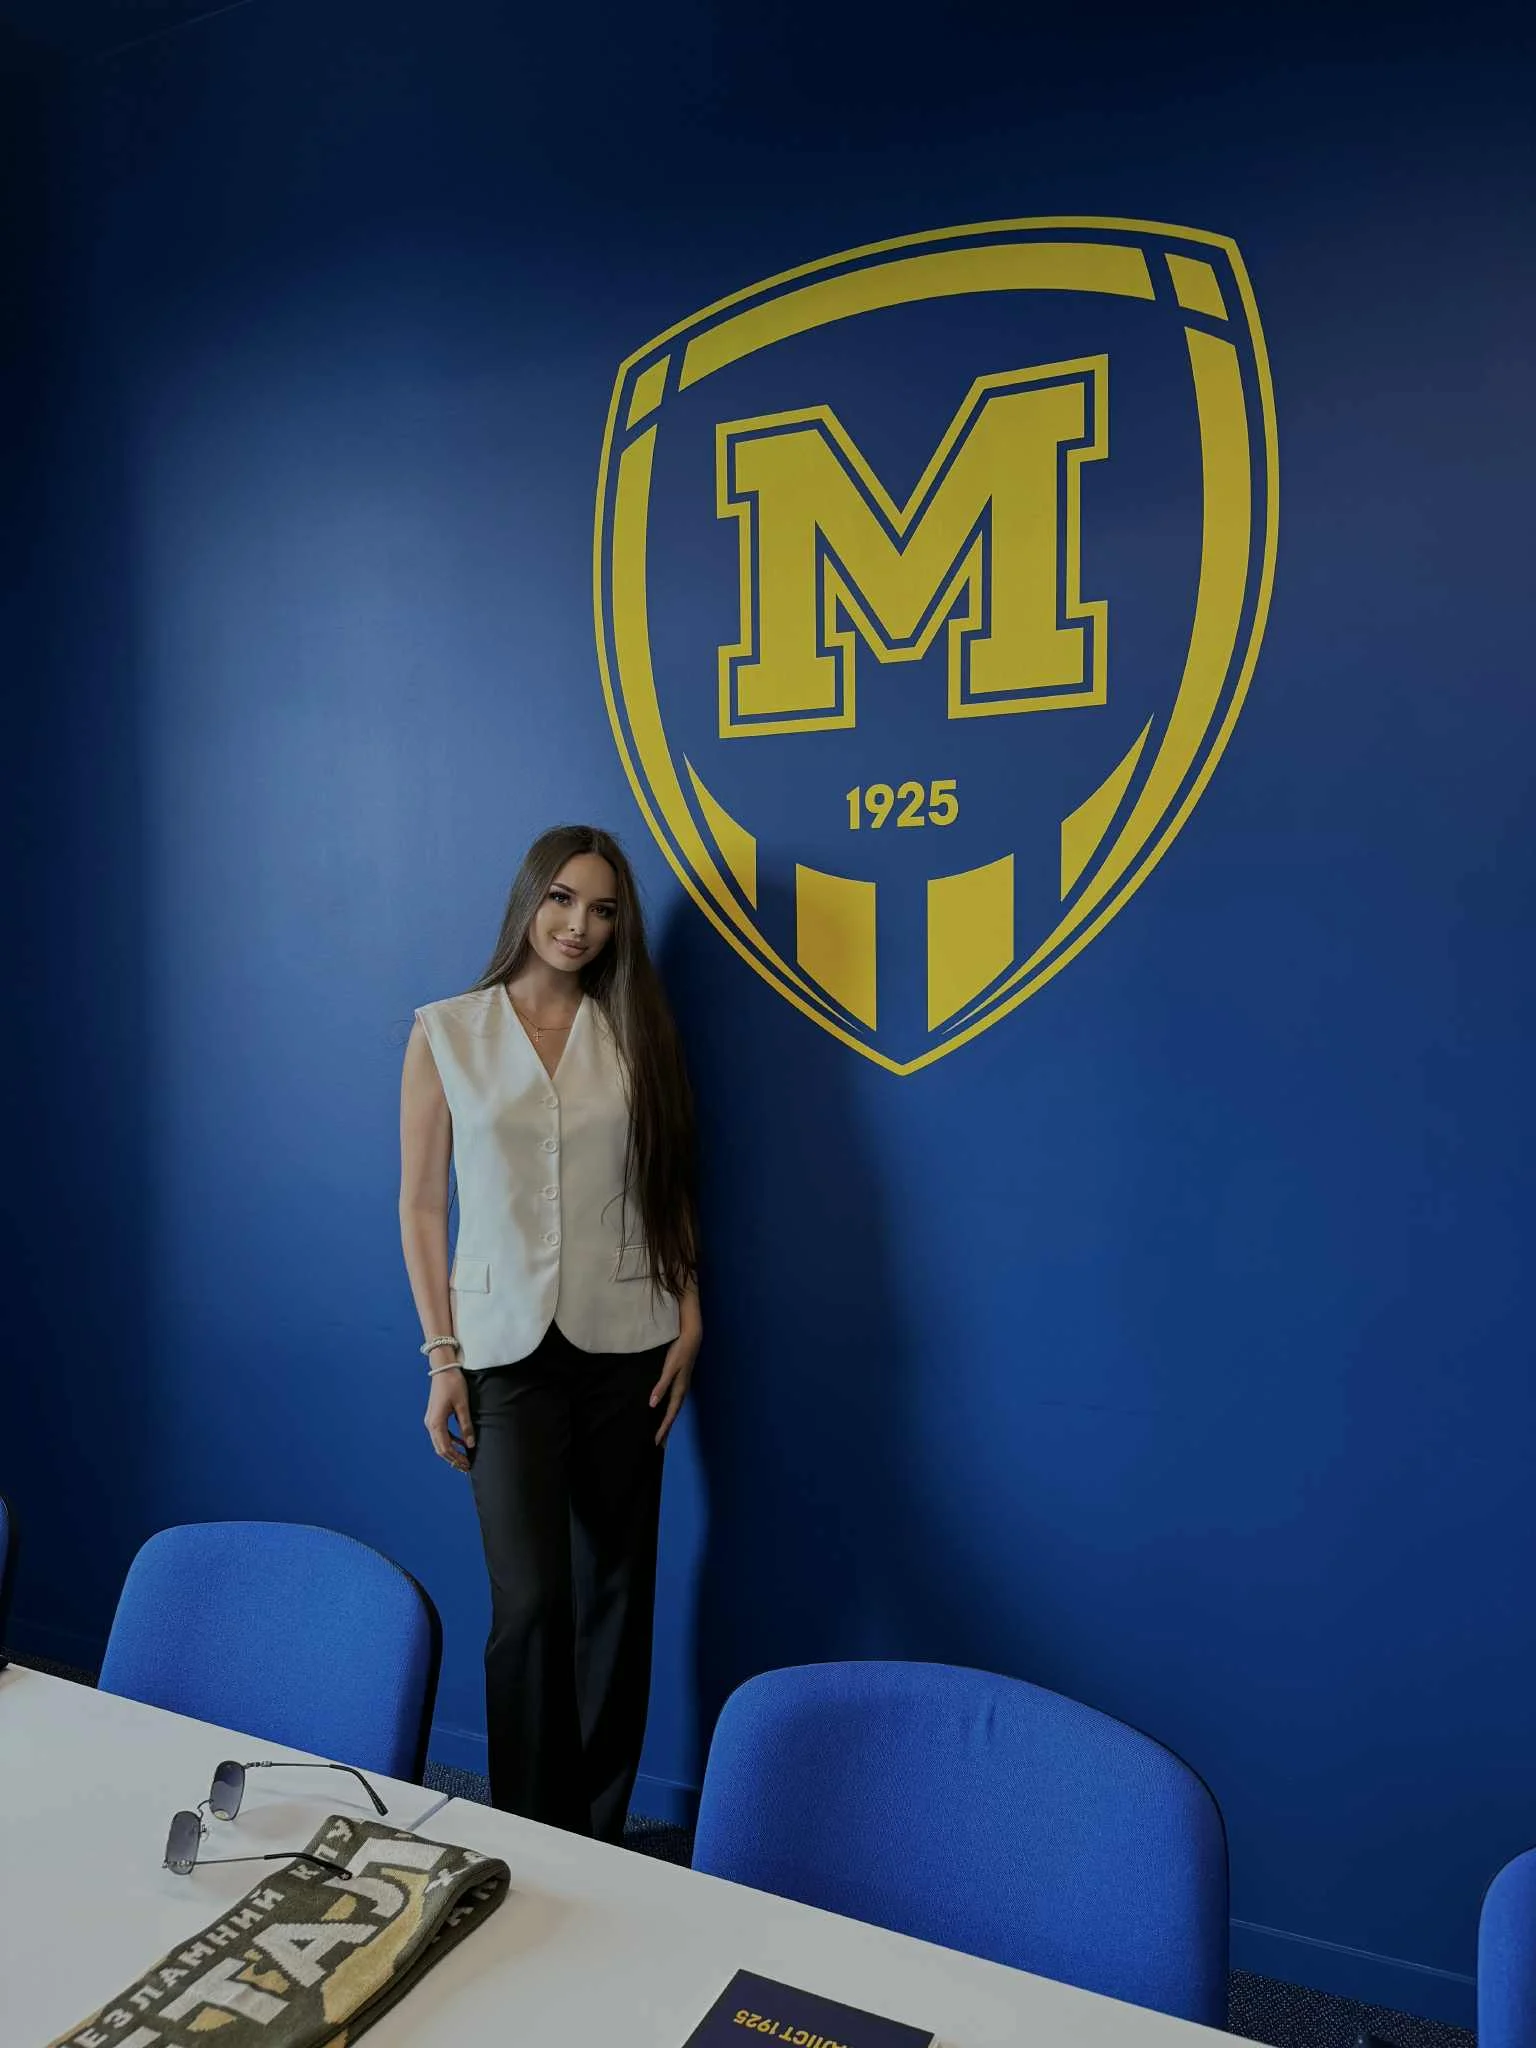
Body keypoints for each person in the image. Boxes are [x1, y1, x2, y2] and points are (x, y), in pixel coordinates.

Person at [398, 824, 701, 1841]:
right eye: (563, 898)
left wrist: (690, 1309)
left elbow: (667, 1181)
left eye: (603, 909)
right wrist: (442, 1356)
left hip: (630, 1340)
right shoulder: (448, 1030)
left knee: (615, 1596)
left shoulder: (636, 1030)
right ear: (530, 896)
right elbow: (420, 1205)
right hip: (502, 1349)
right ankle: (533, 1833)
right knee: (530, 1602)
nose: (580, 925)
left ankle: (602, 1835)